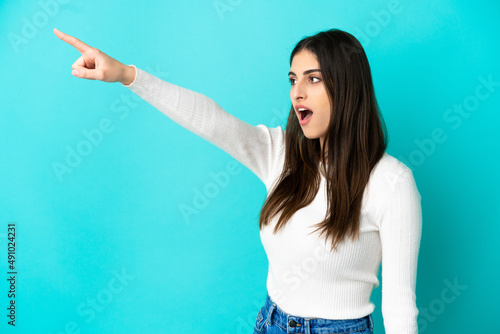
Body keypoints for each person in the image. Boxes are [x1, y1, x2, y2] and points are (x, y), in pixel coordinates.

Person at [53, 27, 422, 334]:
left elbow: (400, 305)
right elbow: (211, 120)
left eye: (313, 79)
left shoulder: (391, 182)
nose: (297, 92)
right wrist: (126, 75)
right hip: (270, 322)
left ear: (348, 87)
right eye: (293, 80)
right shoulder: (281, 154)